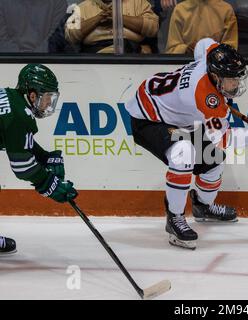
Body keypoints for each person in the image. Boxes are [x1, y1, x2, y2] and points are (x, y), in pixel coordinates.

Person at [125, 38, 248, 249]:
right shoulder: (207, 98)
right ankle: (174, 218)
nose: (236, 84)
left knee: (213, 158)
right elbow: (223, 138)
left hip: (176, 115)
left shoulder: (212, 54)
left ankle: (202, 206)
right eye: (231, 79)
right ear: (215, 76)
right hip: (149, 118)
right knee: (183, 152)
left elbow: (204, 43)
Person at [0, 64, 78, 255]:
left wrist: (45, 158)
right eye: (46, 98)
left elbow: (20, 143)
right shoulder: (18, 115)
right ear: (33, 95)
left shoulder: (14, 99)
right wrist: (48, 183)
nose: (48, 104)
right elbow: (22, 167)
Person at [65, 0, 159, 54]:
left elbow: (153, 27)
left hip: (132, 56)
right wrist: (97, 19)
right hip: (93, 59)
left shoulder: (138, 2)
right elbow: (70, 35)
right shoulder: (83, 7)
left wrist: (120, 18)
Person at [165, 0, 238, 54]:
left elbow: (231, 48)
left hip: (217, 67)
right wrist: (187, 49)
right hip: (186, 66)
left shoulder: (226, 10)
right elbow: (172, 50)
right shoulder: (180, 10)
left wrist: (213, 51)